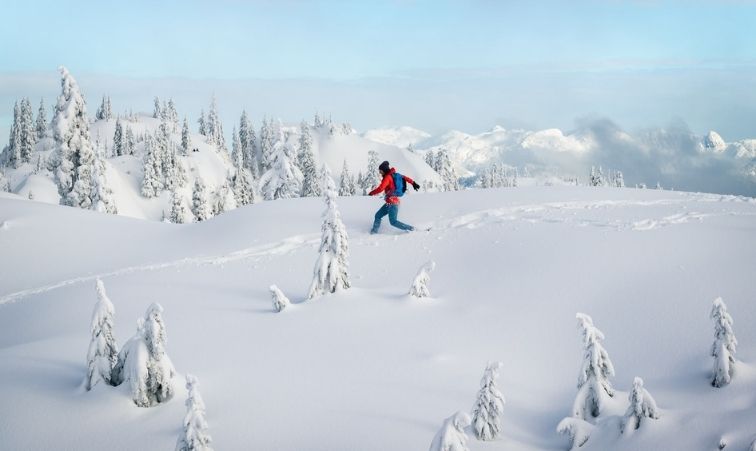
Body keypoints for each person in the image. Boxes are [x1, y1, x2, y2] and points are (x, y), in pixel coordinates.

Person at [368, 160, 420, 234]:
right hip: (390, 202)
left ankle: (412, 229)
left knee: (393, 222)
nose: (380, 173)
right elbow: (406, 178)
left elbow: (381, 188)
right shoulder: (395, 175)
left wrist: (371, 193)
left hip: (393, 203)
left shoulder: (388, 177)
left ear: (384, 170)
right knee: (378, 215)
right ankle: (374, 232)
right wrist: (413, 183)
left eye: (380, 171)